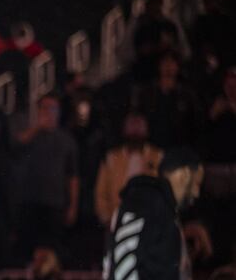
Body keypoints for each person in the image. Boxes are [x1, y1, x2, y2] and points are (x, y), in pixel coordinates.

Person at [103, 148, 205, 280]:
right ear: (185, 174)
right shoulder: (145, 202)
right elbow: (125, 261)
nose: (196, 193)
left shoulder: (163, 210)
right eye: (196, 184)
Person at [15, 92, 79, 262]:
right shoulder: (30, 135)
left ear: (59, 111)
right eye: (44, 108)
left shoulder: (66, 140)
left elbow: (72, 176)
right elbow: (16, 146)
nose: (49, 112)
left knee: (54, 251)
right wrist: (37, 127)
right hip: (29, 202)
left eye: (53, 108)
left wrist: (73, 205)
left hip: (55, 204)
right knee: (28, 251)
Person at [94, 112, 163, 226]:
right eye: (132, 135)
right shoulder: (112, 158)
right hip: (117, 219)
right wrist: (106, 218)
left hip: (148, 221)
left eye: (138, 135)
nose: (135, 139)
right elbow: (100, 192)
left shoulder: (157, 157)